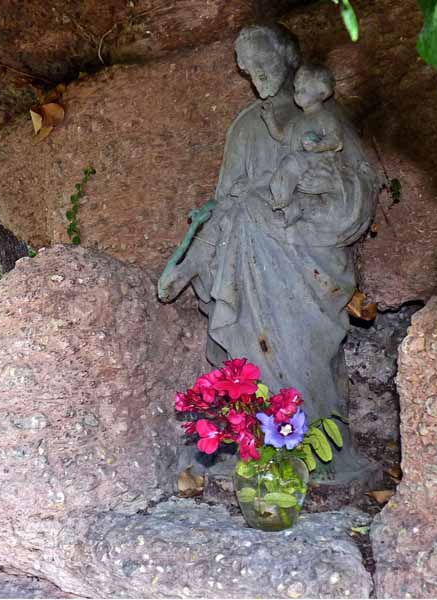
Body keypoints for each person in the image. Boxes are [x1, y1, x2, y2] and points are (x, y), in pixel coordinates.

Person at [158, 24, 379, 481]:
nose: (256, 72)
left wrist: (325, 191)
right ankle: (259, 446)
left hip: (307, 257)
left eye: (264, 61)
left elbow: (359, 186)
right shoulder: (244, 127)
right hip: (250, 257)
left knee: (307, 354)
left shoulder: (324, 119)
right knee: (251, 351)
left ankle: (317, 448)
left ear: (289, 58)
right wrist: (198, 253)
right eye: (247, 66)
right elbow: (225, 199)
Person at [261, 64, 344, 224]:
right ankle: (285, 204)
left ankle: (284, 201)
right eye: (296, 89)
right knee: (280, 175)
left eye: (303, 90)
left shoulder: (324, 117)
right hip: (296, 165)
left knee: (290, 165)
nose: (297, 94)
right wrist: (269, 119)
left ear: (322, 92)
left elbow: (335, 140)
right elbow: (280, 136)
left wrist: (317, 146)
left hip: (317, 165)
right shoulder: (296, 121)